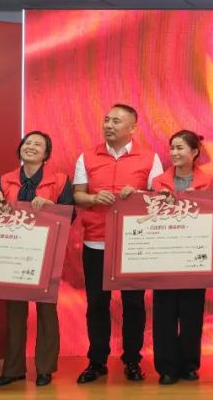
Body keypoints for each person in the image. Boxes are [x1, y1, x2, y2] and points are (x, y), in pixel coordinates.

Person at [73, 104, 163, 383]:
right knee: (96, 304)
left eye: (116, 121)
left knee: (133, 304)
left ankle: (132, 360)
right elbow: (77, 196)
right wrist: (93, 198)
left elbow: (158, 198)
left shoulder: (150, 158)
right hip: (96, 242)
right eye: (107, 120)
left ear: (132, 128)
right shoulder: (87, 156)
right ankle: (97, 360)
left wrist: (137, 194)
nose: (109, 125)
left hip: (133, 244)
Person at [0, 131, 73, 388]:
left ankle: (45, 368)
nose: (31, 147)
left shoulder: (60, 180)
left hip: (47, 253)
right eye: (27, 143)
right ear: (20, 149)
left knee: (47, 312)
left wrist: (50, 207)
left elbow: (70, 216)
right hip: (13, 254)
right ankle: (13, 369)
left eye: (38, 144)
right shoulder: (5, 180)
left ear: (46, 154)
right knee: (14, 313)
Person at [150, 130, 213, 385]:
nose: (175, 153)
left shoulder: (209, 181)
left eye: (180, 148)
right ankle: (166, 367)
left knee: (191, 314)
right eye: (172, 148)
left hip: (194, 256)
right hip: (164, 256)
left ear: (195, 152)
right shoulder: (158, 181)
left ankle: (189, 365)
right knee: (164, 314)